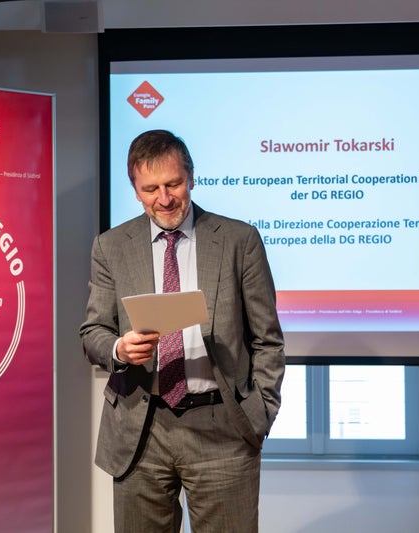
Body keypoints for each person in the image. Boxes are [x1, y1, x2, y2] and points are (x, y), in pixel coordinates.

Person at [80, 129, 285, 532]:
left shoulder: (238, 240)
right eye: (150, 189)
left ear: (191, 177)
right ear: (135, 190)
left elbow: (267, 339)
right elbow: (93, 332)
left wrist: (260, 412)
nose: (164, 198)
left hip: (222, 425)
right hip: (141, 428)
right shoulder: (110, 246)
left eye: (173, 184)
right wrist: (120, 349)